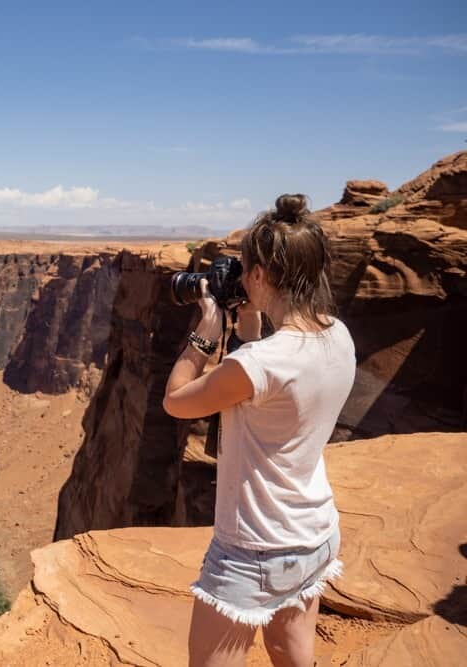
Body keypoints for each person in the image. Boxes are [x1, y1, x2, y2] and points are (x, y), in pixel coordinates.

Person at [162, 194, 356, 666]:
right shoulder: (337, 333)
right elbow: (275, 386)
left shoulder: (258, 363)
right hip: (314, 535)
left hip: (254, 551)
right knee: (293, 655)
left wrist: (204, 333)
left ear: (259, 276)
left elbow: (176, 402)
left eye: (244, 267)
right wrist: (250, 323)